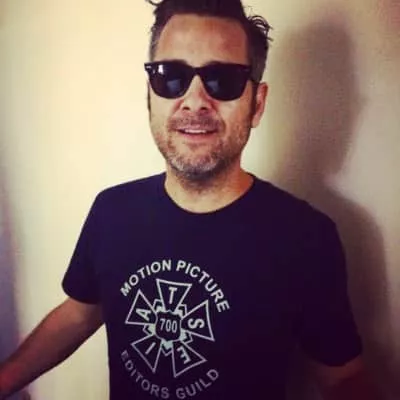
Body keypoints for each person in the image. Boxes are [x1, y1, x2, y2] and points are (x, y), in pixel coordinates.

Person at [0, 0, 381, 399]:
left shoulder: (307, 238)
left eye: (222, 79)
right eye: (171, 77)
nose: (195, 100)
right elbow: (79, 313)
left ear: (257, 103)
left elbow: (342, 378)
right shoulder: (111, 212)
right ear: (150, 95)